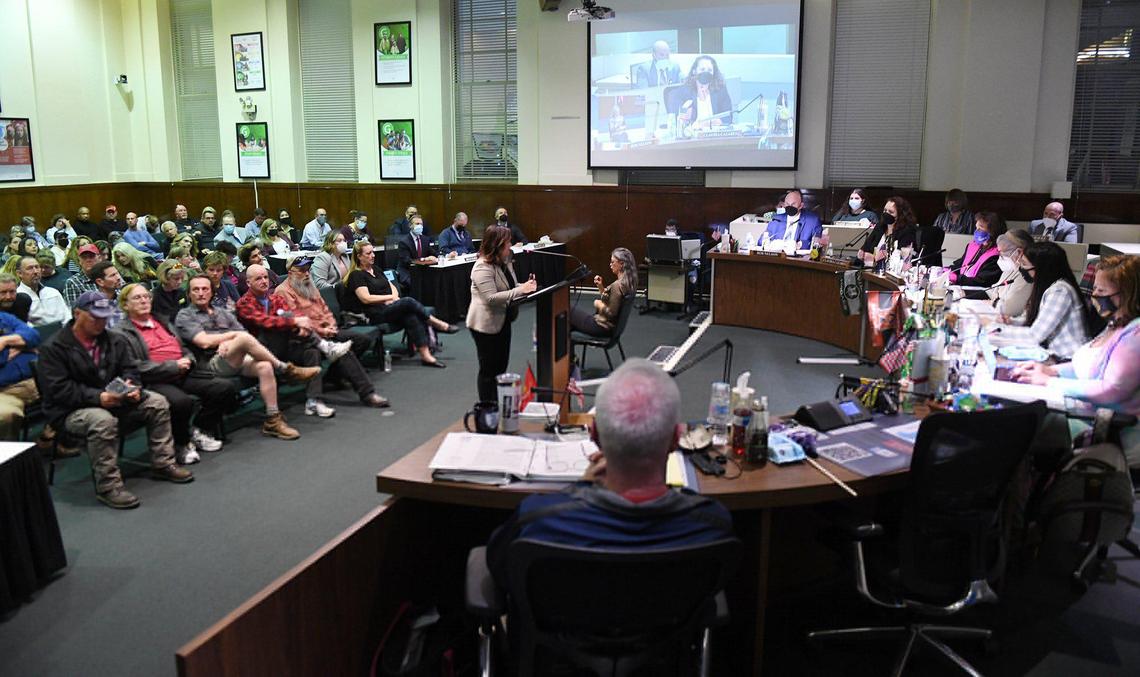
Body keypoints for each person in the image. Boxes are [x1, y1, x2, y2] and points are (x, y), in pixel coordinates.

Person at [485, 358, 734, 589]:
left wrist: (579, 489)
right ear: (676, 438)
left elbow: (498, 567)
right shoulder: (713, 524)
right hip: (674, 637)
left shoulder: (537, 519)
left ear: (593, 435)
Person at [40, 291, 193, 509]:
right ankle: (108, 486)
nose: (101, 322)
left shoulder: (114, 339)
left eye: (104, 316)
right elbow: (58, 390)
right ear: (77, 314)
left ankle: (163, 463)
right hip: (71, 409)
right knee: (102, 420)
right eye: (95, 317)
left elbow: (130, 370)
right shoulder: (54, 348)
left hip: (114, 398)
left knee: (156, 402)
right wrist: (99, 397)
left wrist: (132, 387)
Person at [1012, 255, 1140, 465]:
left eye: (1101, 290)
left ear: (1126, 294)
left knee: (1023, 428)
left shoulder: (1136, 334)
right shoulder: (1116, 324)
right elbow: (1088, 364)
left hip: (1107, 432)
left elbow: (1111, 390)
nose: (1094, 295)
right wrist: (1050, 371)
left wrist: (1048, 382)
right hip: (1084, 415)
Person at [176, 274, 319, 440]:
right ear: (189, 294)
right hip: (209, 365)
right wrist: (231, 337)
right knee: (243, 339)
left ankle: (273, 420)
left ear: (211, 292)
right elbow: (205, 342)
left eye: (205, 289)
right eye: (196, 289)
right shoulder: (185, 315)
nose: (201, 293)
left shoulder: (222, 312)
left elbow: (242, 334)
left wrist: (229, 341)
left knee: (264, 366)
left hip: (234, 358)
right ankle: (284, 368)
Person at [114, 283, 230, 465]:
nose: (144, 300)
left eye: (146, 296)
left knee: (223, 388)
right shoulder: (121, 332)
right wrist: (173, 366)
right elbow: (134, 366)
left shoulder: (162, 321)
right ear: (125, 304)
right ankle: (181, 444)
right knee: (181, 402)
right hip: (154, 379)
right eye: (137, 298)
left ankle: (198, 430)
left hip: (182, 372)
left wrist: (189, 360)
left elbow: (183, 347)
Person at [237, 263, 352, 418]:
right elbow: (264, 321)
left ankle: (313, 401)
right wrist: (296, 323)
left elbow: (292, 315)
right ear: (248, 283)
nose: (264, 281)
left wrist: (300, 323)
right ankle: (325, 346)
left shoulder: (275, 298)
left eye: (265, 277)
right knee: (282, 326)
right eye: (259, 279)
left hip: (284, 346)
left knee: (311, 352)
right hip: (261, 351)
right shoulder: (244, 304)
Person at [273, 257, 391, 409]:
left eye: (308, 269)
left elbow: (325, 308)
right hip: (304, 337)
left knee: (362, 340)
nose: (307, 273)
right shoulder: (282, 292)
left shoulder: (309, 284)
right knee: (343, 350)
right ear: (290, 273)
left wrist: (332, 325)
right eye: (302, 271)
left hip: (327, 330)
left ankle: (332, 376)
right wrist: (323, 330)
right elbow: (298, 320)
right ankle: (367, 393)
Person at [344, 242, 457, 368]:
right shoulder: (356, 275)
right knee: (408, 301)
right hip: (375, 314)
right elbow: (366, 298)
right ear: (359, 256)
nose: (373, 255)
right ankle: (437, 323)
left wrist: (394, 298)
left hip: (389, 308)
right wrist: (389, 298)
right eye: (369, 253)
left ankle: (426, 356)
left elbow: (392, 287)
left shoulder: (376, 269)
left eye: (373, 252)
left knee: (410, 316)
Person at [466, 225, 538, 401]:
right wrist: (522, 291)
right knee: (488, 369)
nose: (510, 246)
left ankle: (496, 403)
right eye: (508, 243)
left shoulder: (503, 263)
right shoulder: (481, 267)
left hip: (503, 319)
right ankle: (486, 406)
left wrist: (524, 286)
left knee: (501, 366)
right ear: (497, 245)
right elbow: (491, 297)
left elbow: (510, 287)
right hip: (485, 325)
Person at [990, 241, 1091, 360]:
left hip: (1067, 359)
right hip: (1054, 355)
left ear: (1042, 268)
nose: (1021, 268)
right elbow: (1038, 321)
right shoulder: (1049, 288)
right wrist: (1011, 322)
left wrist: (995, 332)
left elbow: (1035, 335)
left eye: (1024, 264)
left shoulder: (1060, 292)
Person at [571, 247, 636, 337]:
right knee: (569, 321)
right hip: (612, 328)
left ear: (621, 264)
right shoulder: (629, 283)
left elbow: (611, 313)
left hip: (601, 327)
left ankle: (564, 348)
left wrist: (598, 304)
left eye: (613, 262)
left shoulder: (617, 286)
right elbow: (611, 301)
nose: (610, 265)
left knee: (568, 311)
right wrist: (600, 286)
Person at [0, 307, 40, 441]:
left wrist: (5, 341)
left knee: (73, 384)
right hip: (6, 391)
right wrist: (23, 346)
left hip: (36, 380)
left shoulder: (4, 317)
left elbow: (34, 335)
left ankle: (49, 438)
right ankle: (11, 460)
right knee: (6, 416)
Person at [978, 229, 1035, 318]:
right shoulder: (1011, 269)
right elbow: (992, 290)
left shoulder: (1028, 274)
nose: (1001, 257)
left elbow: (1011, 309)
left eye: (1003, 252)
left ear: (1019, 252)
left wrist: (995, 301)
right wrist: (964, 293)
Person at [674, 55, 733, 131]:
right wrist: (685, 117)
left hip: (716, 134)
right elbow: (680, 118)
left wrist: (706, 123)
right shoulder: (684, 91)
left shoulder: (720, 90)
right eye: (702, 69)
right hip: (692, 136)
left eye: (709, 70)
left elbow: (728, 116)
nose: (706, 73)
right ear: (694, 71)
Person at [949, 211, 1007, 288]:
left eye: (981, 228)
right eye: (976, 228)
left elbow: (982, 281)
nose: (976, 231)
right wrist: (946, 271)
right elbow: (960, 265)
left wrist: (957, 279)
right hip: (961, 288)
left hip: (977, 293)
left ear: (993, 231)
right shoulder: (973, 246)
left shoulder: (997, 255)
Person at [859, 196, 918, 268]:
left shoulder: (907, 231)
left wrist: (875, 259)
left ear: (901, 215)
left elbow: (902, 259)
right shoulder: (880, 227)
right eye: (885, 210)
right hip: (871, 269)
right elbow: (866, 248)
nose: (886, 214)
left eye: (891, 212)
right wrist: (862, 254)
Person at [15, 256, 68, 326]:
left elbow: (67, 317)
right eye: (30, 268)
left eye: (37, 267)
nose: (35, 271)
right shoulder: (16, 297)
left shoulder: (53, 293)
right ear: (19, 273)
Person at [395, 214, 438, 292]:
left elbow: (433, 252)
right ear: (410, 226)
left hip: (421, 270)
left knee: (435, 281)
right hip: (407, 271)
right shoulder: (404, 242)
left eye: (421, 224)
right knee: (418, 284)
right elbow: (407, 261)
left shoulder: (425, 239)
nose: (420, 226)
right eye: (417, 224)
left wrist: (446, 255)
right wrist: (424, 259)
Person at [62, 243, 104, 307]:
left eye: (91, 256)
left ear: (99, 258)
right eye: (84, 257)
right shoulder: (73, 283)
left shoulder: (107, 275)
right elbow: (74, 312)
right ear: (79, 261)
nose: (88, 260)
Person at [88, 261, 125, 328]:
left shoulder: (125, 297)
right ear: (100, 282)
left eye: (117, 273)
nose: (118, 277)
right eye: (113, 275)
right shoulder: (93, 305)